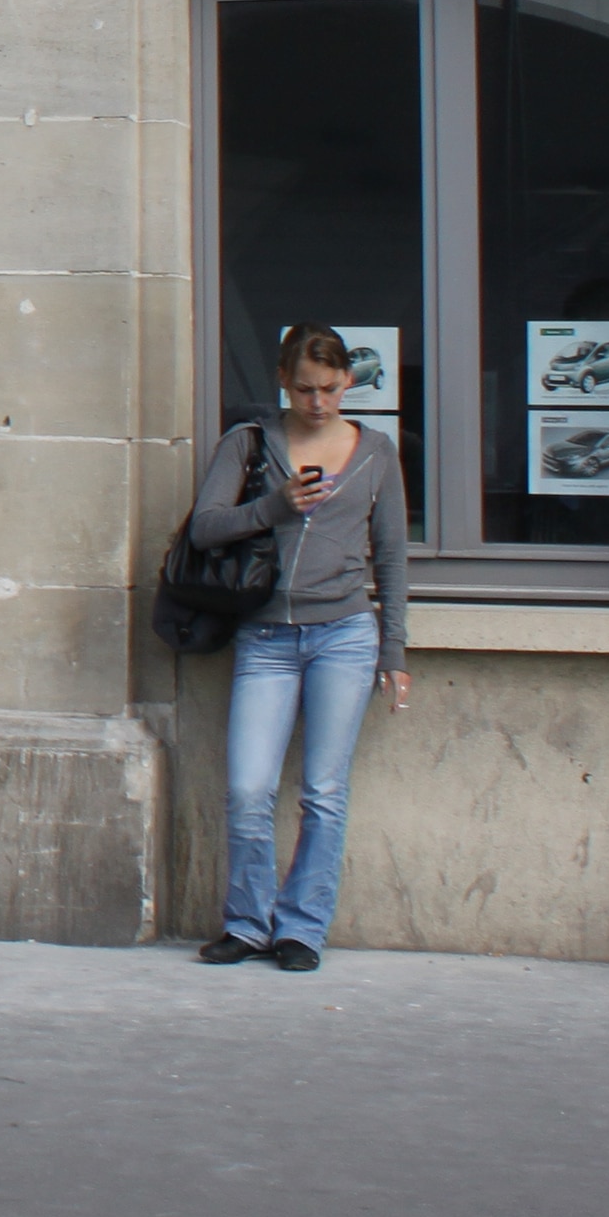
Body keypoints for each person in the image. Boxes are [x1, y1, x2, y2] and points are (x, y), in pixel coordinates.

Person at [189, 323, 411, 972]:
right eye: (305, 390)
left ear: (348, 382)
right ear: (284, 384)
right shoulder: (250, 443)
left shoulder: (375, 451)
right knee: (248, 787)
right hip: (265, 638)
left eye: (331, 389)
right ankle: (247, 924)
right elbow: (204, 528)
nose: (318, 403)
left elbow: (393, 556)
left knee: (323, 790)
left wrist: (393, 651)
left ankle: (302, 929)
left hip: (344, 634)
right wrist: (274, 507)